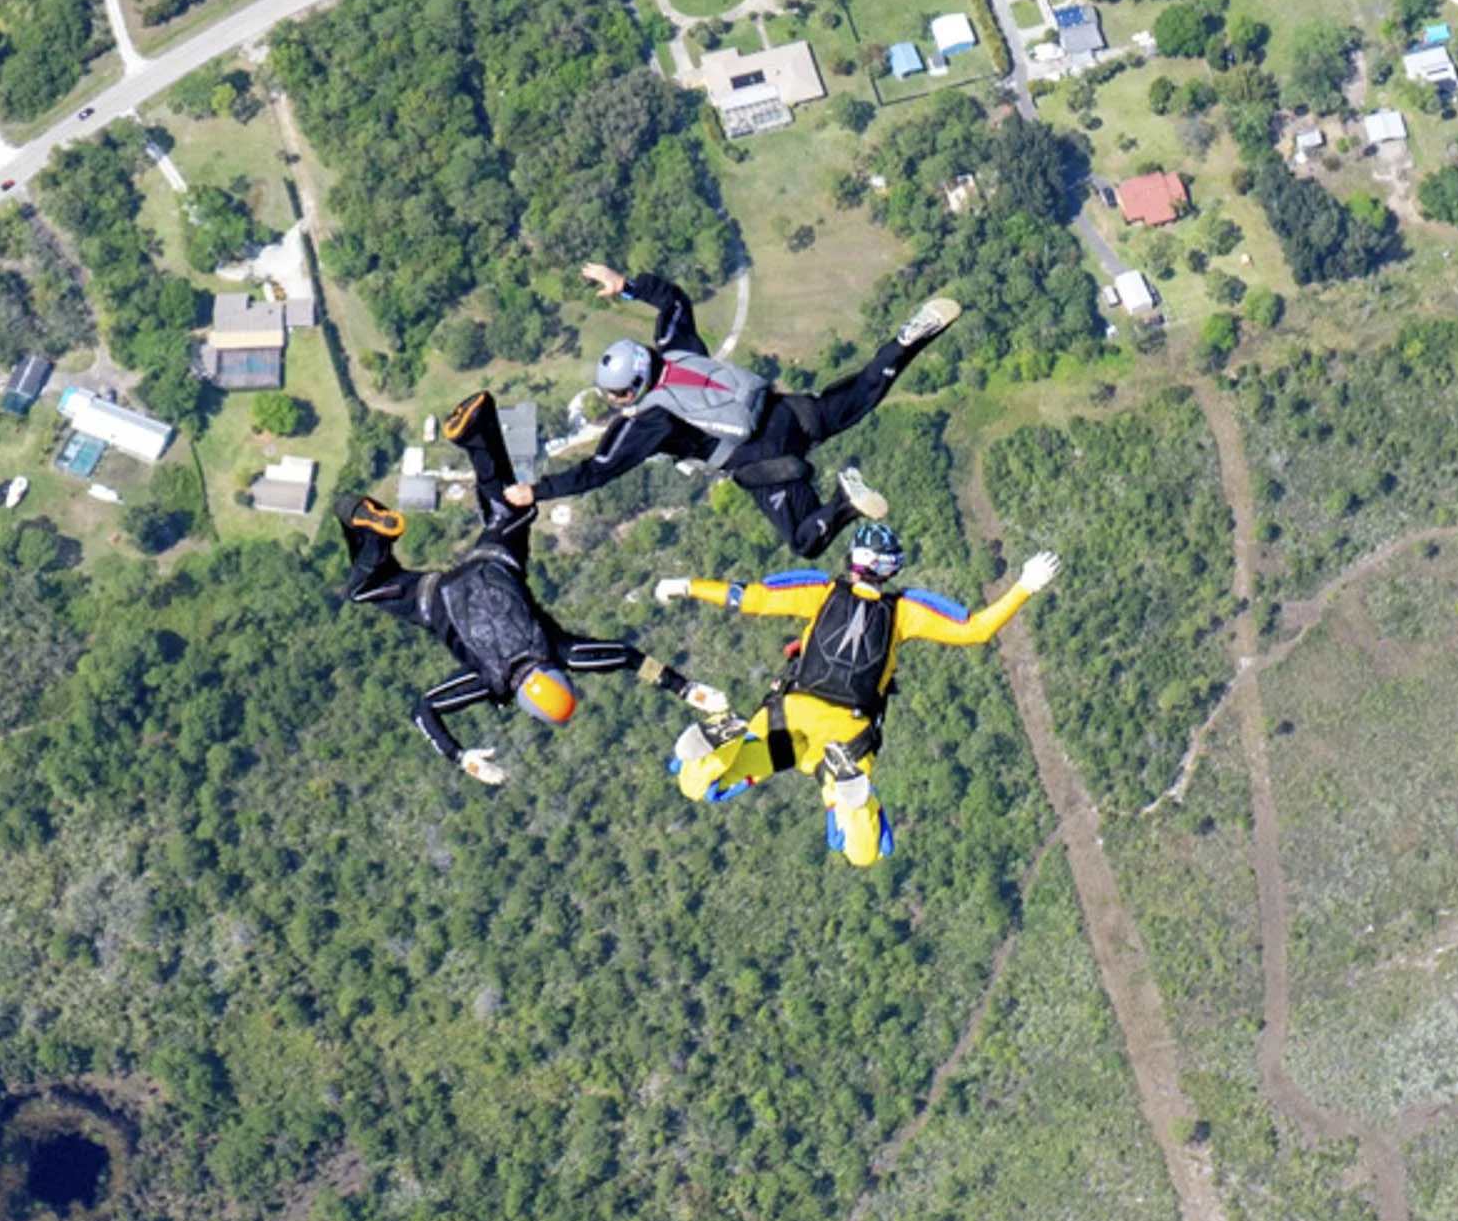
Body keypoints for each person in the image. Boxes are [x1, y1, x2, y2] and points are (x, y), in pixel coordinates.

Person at [338, 390, 725, 783]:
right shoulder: (489, 680)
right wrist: (461, 757)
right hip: (436, 599)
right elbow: (425, 710)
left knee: (510, 508)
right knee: (367, 586)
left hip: (493, 563)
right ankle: (368, 530)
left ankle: (476, 431)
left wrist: (686, 688)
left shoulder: (558, 652)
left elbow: (627, 657)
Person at [657, 523, 1059, 867]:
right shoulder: (903, 612)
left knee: (697, 785)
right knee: (862, 852)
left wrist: (687, 586)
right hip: (846, 737)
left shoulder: (822, 591)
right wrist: (1025, 586)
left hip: (787, 717)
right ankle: (853, 796)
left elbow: (749, 598)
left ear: (853, 558)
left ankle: (722, 731)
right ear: (892, 567)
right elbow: (975, 630)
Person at [505, 263, 962, 559]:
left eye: (618, 395)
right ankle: (907, 341)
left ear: (633, 389)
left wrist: (537, 491)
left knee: (806, 541)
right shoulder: (677, 347)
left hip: (764, 460)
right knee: (862, 391)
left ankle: (845, 500)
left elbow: (597, 470)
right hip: (789, 413)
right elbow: (673, 300)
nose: (615, 402)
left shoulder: (649, 420)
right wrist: (626, 286)